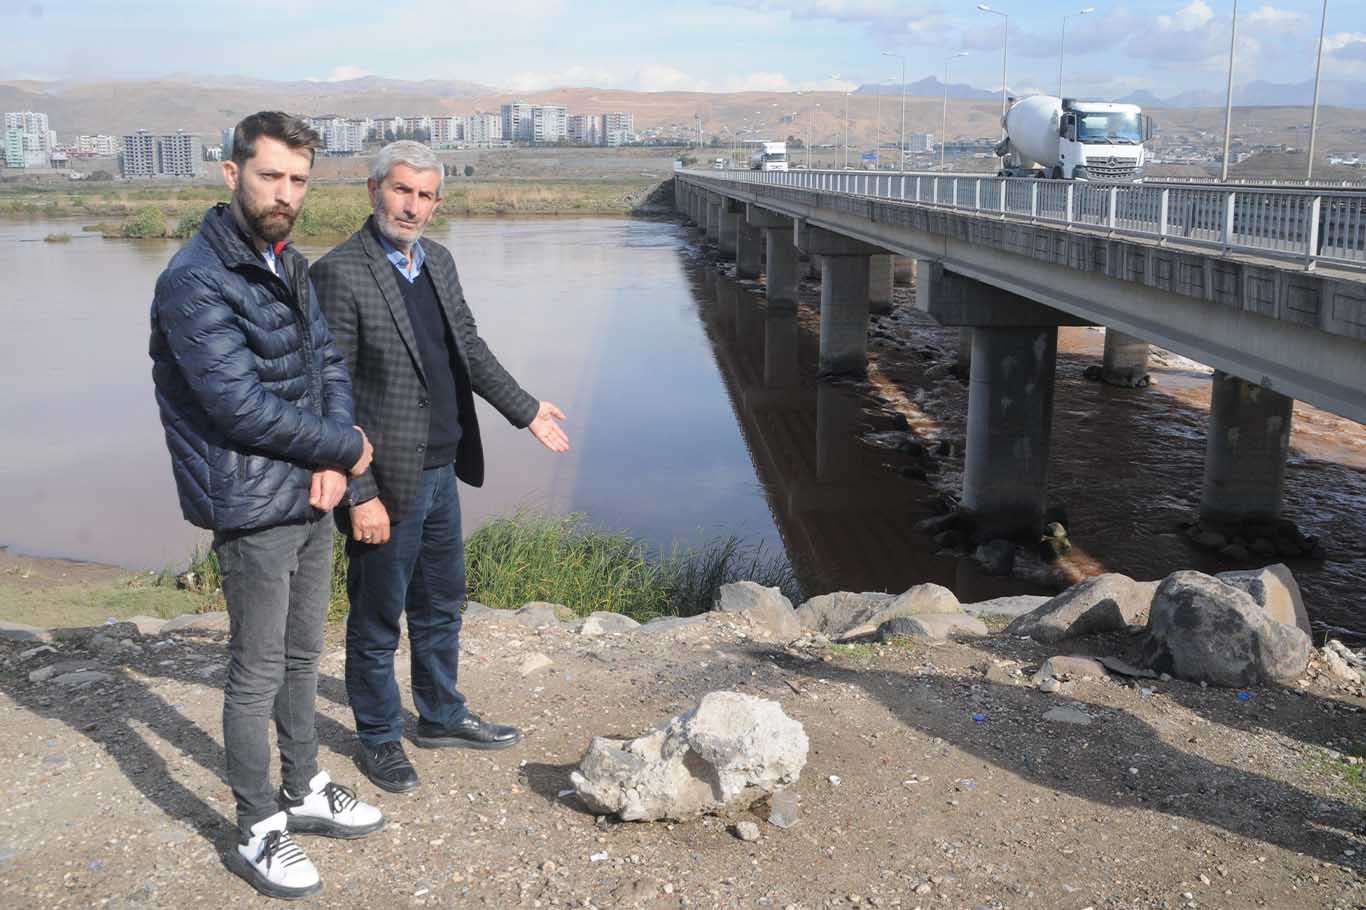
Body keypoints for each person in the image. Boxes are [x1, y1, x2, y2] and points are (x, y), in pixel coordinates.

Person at [150, 111, 386, 900]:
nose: (285, 193)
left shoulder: (286, 260)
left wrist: (336, 462)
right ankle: (256, 826)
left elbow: (327, 365)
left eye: (298, 180)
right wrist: (344, 450)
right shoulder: (194, 279)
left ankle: (305, 785)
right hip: (250, 502)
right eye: (270, 176)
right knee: (254, 672)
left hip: (309, 491)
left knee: (300, 657)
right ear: (230, 173)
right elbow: (238, 407)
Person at [311, 140, 569, 794]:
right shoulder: (340, 273)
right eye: (402, 191)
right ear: (373, 190)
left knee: (440, 602)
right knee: (376, 619)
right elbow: (327, 396)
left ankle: (440, 714)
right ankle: (376, 738)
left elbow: (469, 351)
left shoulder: (440, 262)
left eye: (426, 195)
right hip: (385, 481)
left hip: (441, 469)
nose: (414, 206)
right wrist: (358, 493)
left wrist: (526, 409)